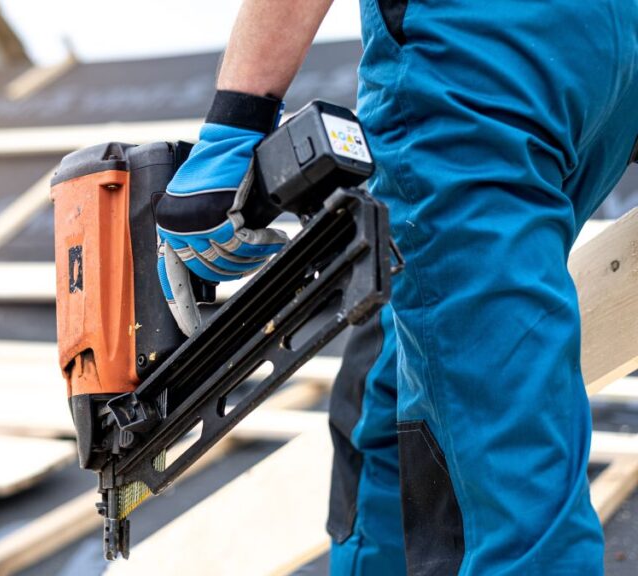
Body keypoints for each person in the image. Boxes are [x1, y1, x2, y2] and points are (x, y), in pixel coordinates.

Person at [155, 1, 638, 573]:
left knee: (515, 497)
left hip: (478, 61)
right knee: (398, 370)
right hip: (608, 53)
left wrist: (236, 122)